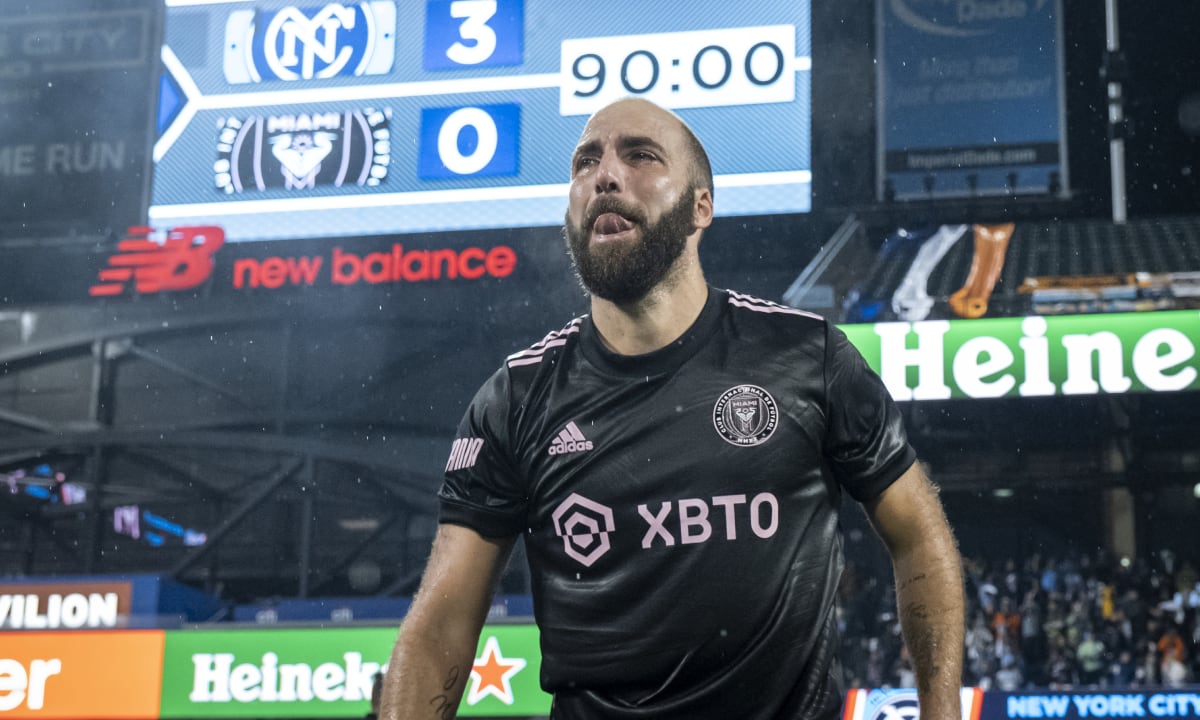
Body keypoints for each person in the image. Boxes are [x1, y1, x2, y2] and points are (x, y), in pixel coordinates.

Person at [380, 98, 965, 720]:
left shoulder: (807, 356)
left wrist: (940, 709)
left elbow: (919, 533)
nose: (604, 175)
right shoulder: (516, 398)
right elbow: (440, 626)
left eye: (640, 155)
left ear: (700, 206)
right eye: (585, 162)